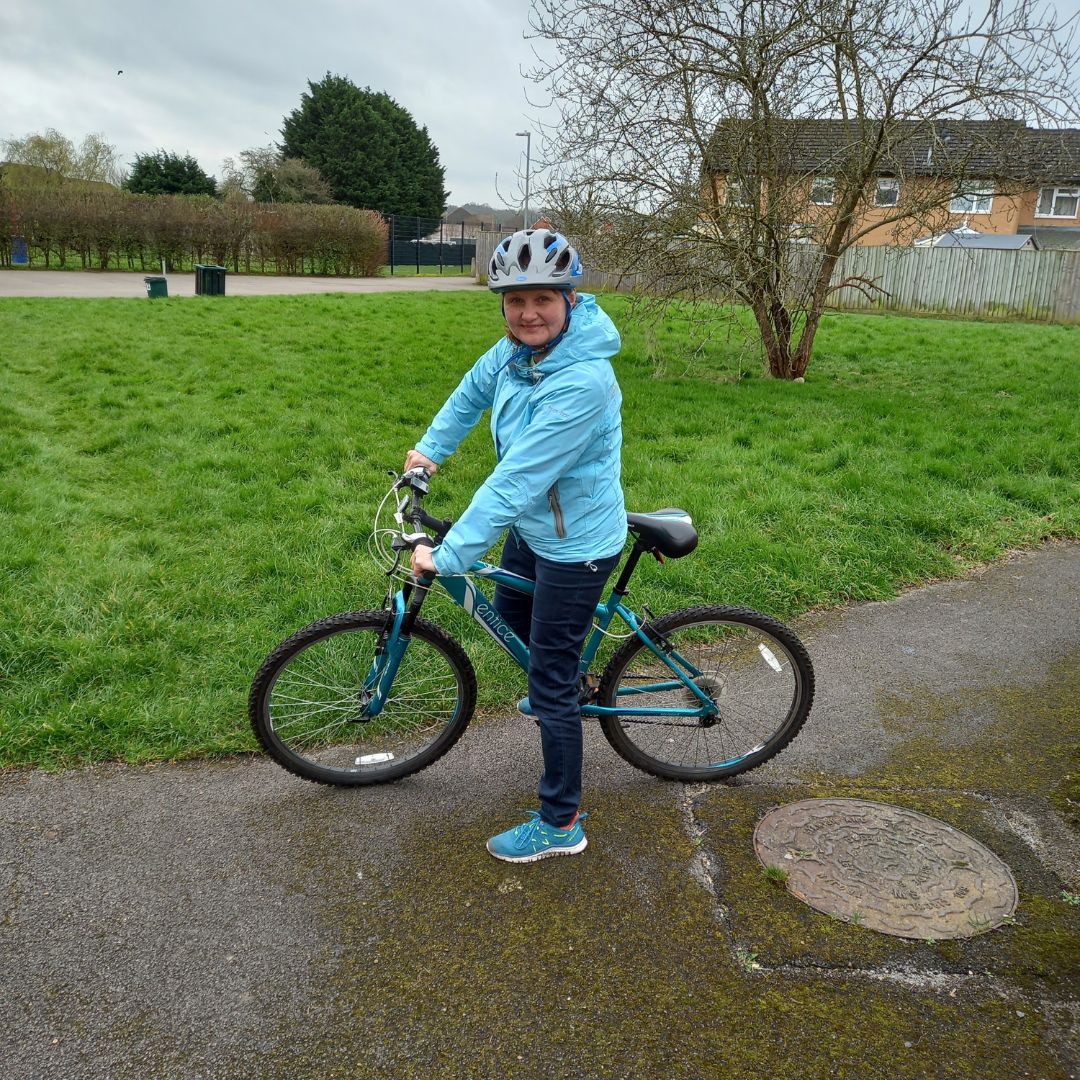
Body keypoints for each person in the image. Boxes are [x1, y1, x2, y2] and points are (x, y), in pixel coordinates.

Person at [404, 228, 627, 864]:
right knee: (518, 624)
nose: (528, 313)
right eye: (515, 300)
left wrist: (450, 556)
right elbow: (469, 393)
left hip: (575, 543)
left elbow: (516, 480)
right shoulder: (515, 353)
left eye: (543, 300)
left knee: (550, 681)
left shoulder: (582, 381)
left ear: (570, 299)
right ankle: (562, 678)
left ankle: (562, 822)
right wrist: (429, 452)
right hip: (537, 528)